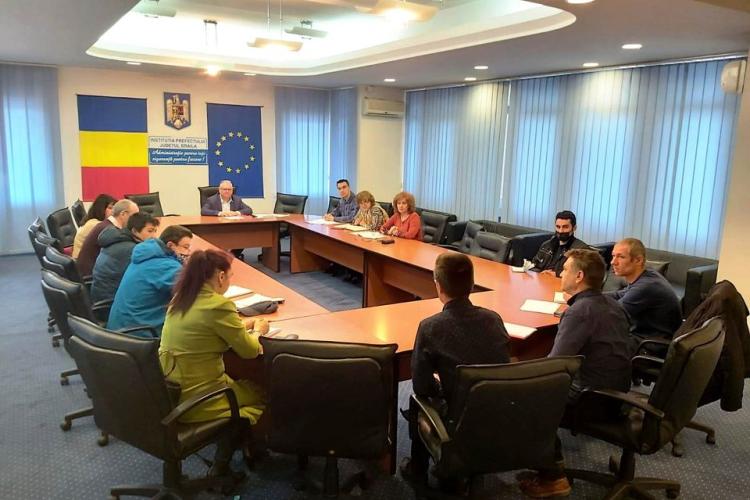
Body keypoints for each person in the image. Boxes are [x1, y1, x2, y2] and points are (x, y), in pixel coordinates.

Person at [520, 249, 632, 498]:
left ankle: (553, 477)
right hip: (617, 391)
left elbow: (555, 367)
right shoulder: (612, 305)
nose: (561, 273)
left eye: (565, 269)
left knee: (523, 398)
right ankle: (547, 461)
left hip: (592, 398)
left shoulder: (579, 312)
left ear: (579, 276)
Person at [404, 253, 510, 487]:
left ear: (438, 286)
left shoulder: (431, 327)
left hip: (456, 418)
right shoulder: (494, 319)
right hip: (497, 413)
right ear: (472, 285)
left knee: (417, 401)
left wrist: (439, 387)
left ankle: (418, 472)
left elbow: (421, 386)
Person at [159, 249, 265, 476]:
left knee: (240, 382)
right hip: (199, 398)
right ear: (221, 276)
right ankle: (227, 461)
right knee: (262, 392)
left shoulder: (182, 298)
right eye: (230, 276)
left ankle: (234, 450)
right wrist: (258, 331)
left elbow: (203, 331)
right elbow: (249, 351)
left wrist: (240, 327)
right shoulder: (218, 305)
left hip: (169, 394)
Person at [107, 225, 193, 337]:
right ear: (170, 245)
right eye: (186, 247)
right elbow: (195, 291)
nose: (189, 252)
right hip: (138, 334)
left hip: (121, 327)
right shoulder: (166, 266)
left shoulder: (147, 254)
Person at [607, 238, 683, 344]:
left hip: (649, 345)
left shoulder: (647, 286)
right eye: (613, 256)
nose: (613, 262)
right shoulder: (646, 275)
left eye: (621, 257)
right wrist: (589, 295)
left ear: (638, 260)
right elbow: (619, 294)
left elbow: (612, 314)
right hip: (642, 336)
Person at [89, 212, 159, 304]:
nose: (154, 237)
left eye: (155, 231)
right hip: (111, 301)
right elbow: (149, 276)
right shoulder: (133, 250)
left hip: (101, 296)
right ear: (135, 231)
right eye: (150, 231)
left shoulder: (117, 239)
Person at [76, 199, 139, 278]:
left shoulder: (106, 226)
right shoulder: (109, 231)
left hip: (91, 273)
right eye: (134, 216)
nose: (136, 220)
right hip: (90, 277)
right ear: (123, 214)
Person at [530, 210, 589, 277]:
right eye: (558, 227)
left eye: (565, 227)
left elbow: (581, 276)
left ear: (574, 228)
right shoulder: (546, 245)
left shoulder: (581, 250)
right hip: (542, 281)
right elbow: (533, 266)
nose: (561, 231)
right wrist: (541, 273)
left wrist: (557, 274)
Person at [72, 194, 116, 258]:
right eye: (110, 208)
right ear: (101, 209)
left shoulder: (92, 221)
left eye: (114, 208)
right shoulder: (95, 224)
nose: (113, 211)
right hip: (82, 260)